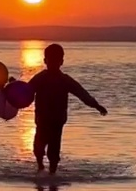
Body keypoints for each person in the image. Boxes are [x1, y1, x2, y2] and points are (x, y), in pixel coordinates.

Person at [28, 43, 107, 175]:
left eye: (56, 60)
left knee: (53, 148)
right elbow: (27, 92)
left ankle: (52, 172)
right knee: (39, 147)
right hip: (42, 119)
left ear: (61, 62)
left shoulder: (65, 80)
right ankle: (40, 166)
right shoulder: (40, 78)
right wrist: (14, 88)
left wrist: (96, 106)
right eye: (50, 60)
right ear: (45, 61)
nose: (53, 63)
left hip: (57, 120)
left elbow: (82, 93)